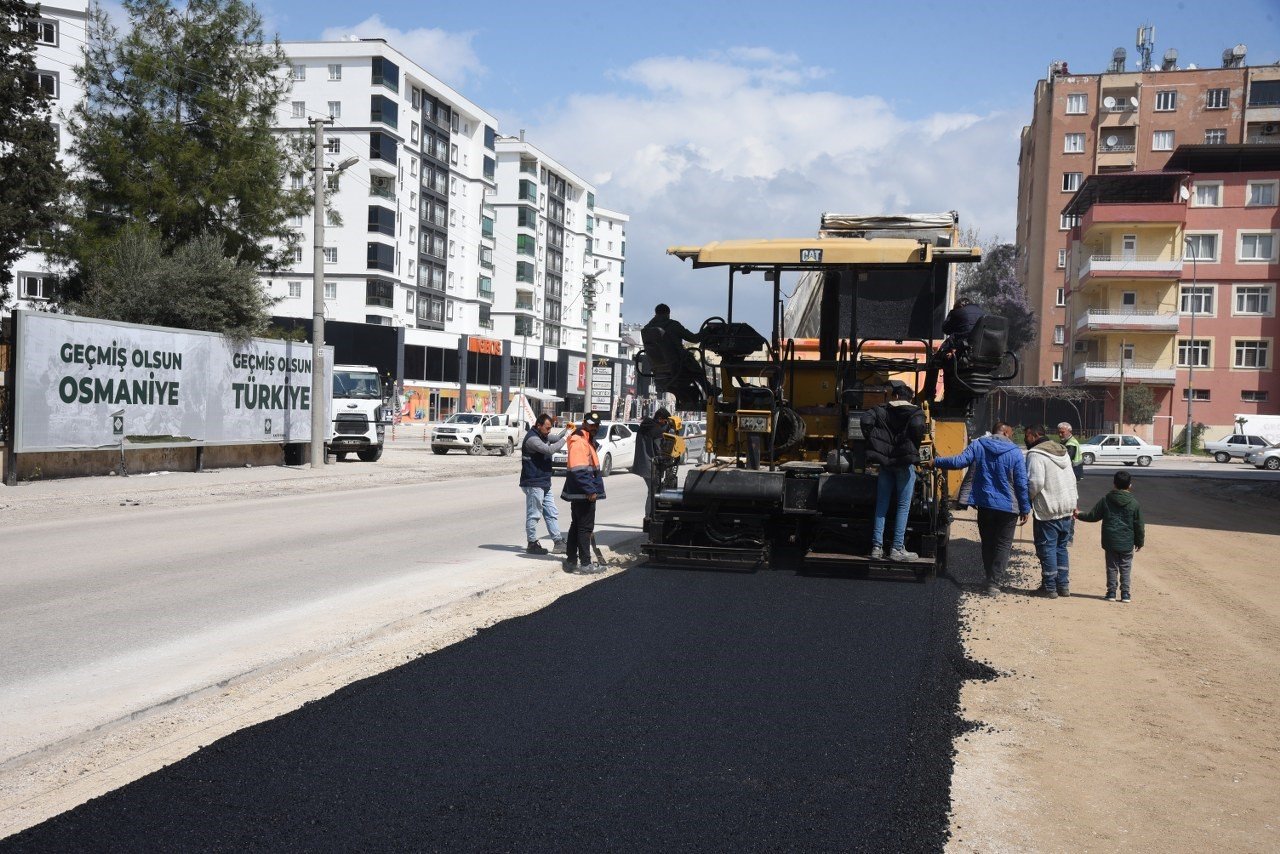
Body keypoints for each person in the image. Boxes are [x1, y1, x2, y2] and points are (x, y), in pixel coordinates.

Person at [924, 421, 1030, 595]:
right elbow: (1021, 483)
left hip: (985, 504)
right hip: (1009, 507)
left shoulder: (979, 445)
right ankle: (994, 583)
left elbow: (959, 462)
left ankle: (989, 577)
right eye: (1010, 434)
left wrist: (935, 461)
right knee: (1003, 544)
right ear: (1005, 433)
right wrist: (1025, 508)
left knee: (987, 542)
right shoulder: (1015, 453)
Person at [860, 381, 928, 561]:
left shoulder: (880, 410)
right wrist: (912, 445)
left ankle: (876, 548)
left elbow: (865, 420)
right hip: (904, 464)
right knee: (903, 506)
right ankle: (897, 548)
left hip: (885, 464)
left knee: (881, 505)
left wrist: (873, 440)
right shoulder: (915, 412)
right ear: (910, 398)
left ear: (895, 396)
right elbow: (918, 428)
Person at [1024, 424, 1079, 598]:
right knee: (1061, 548)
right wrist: (1074, 503)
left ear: (1033, 435)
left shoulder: (1036, 454)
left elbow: (1035, 482)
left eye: (1026, 436)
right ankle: (1063, 586)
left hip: (1048, 509)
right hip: (1067, 507)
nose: (1025, 440)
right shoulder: (1062, 451)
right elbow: (1072, 478)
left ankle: (1049, 588)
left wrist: (1027, 499)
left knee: (1047, 549)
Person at [1074, 470, 1145, 603]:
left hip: (1110, 540)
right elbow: (1139, 525)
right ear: (1130, 485)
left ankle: (1111, 592)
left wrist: (1079, 514)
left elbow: (1093, 516)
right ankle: (1125, 594)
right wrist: (1139, 542)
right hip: (1127, 541)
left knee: (1112, 566)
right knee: (1126, 567)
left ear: (1114, 484)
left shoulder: (1106, 500)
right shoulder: (1134, 503)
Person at [561, 411, 607, 574]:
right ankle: (586, 563)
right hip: (584, 492)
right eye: (591, 424)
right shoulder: (580, 441)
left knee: (576, 526)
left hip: (580, 492)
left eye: (596, 425)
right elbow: (579, 470)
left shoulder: (585, 440)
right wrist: (590, 490)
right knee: (585, 528)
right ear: (585, 424)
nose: (594, 427)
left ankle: (571, 560)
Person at [642, 304, 720, 399]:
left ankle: (698, 394)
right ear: (668, 314)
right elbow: (694, 338)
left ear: (656, 313)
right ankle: (709, 390)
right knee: (696, 368)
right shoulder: (673, 325)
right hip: (677, 365)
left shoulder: (647, 329)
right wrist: (708, 330)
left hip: (658, 369)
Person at [519, 413, 569, 555]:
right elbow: (549, 449)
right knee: (534, 513)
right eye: (547, 428)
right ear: (538, 425)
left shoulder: (543, 435)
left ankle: (558, 542)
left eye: (550, 428)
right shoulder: (532, 439)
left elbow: (556, 438)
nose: (549, 431)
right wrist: (567, 437)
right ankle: (532, 543)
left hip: (543, 481)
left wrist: (567, 430)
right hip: (533, 481)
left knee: (551, 512)